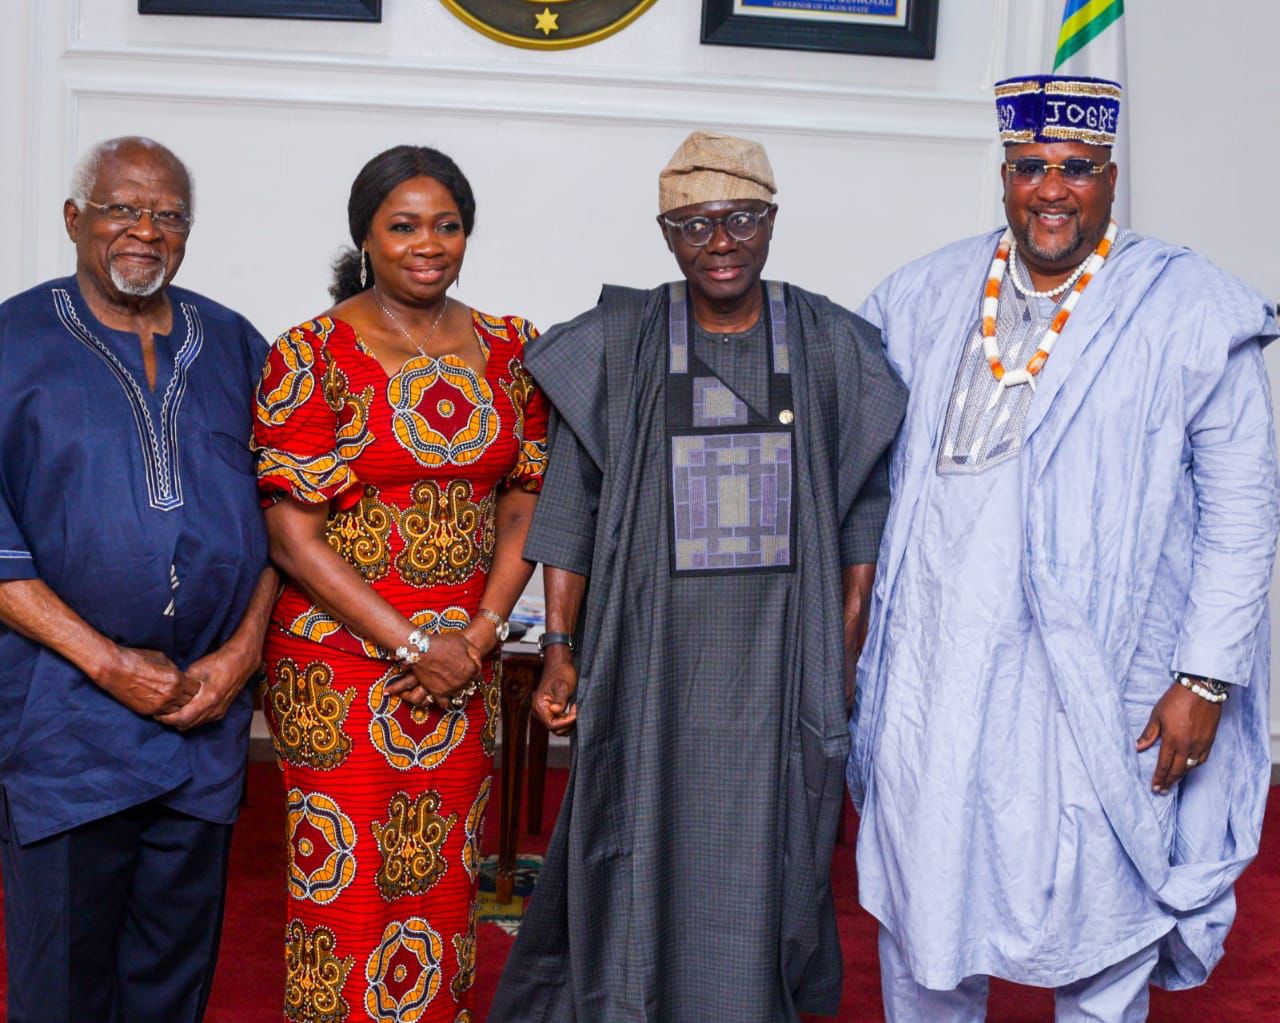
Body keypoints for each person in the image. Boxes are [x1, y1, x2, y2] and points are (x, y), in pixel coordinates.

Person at [849, 75, 1280, 1022]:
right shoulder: (922, 295)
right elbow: (848, 468)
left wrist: (1205, 678)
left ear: (1111, 177)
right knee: (928, 911)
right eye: (1030, 167)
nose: (1052, 188)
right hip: (942, 677)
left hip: (1102, 679)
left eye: (1076, 169)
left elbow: (1244, 511)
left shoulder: (1193, 309)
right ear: (1005, 175)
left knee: (1104, 913)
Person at [490, 130, 906, 1022]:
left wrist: (843, 644)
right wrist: (560, 646)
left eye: (742, 218)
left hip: (782, 659)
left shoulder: (832, 340)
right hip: (649, 654)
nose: (721, 241)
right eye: (695, 224)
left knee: (767, 856)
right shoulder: (620, 341)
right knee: (634, 834)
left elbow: (864, 505)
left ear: (772, 222)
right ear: (666, 234)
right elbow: (569, 504)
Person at [254, 144, 547, 1023]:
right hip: (339, 670)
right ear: (366, 236)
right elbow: (291, 537)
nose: (430, 244)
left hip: (464, 665)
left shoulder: (511, 348)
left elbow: (528, 493)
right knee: (344, 897)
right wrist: (418, 643)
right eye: (405, 225)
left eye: (448, 225)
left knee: (443, 888)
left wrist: (482, 634)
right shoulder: (309, 354)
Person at [0, 136, 275, 1023]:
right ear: (75, 219)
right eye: (122, 207)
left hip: (202, 715)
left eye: (167, 214)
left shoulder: (237, 345)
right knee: (64, 984)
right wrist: (106, 660)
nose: (144, 231)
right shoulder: (11, 342)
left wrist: (236, 663)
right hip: (66, 720)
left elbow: (292, 522)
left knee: (172, 979)